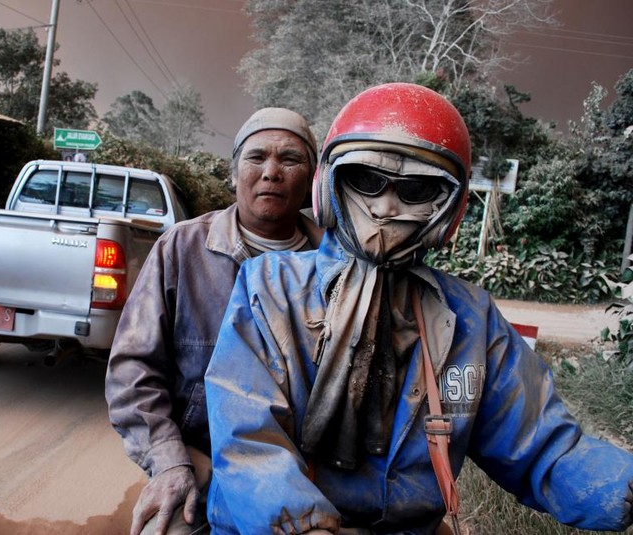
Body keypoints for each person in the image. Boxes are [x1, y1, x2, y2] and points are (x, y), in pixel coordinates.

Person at [204, 83, 633, 534]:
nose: (387, 207)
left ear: (450, 206)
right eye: (367, 180)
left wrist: (620, 486)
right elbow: (248, 437)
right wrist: (302, 525)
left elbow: (544, 447)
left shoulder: (471, 318)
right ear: (330, 183)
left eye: (416, 189)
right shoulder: (270, 287)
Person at [105, 107, 324, 535]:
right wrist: (170, 461)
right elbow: (133, 370)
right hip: (204, 463)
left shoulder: (336, 265)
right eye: (256, 157)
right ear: (233, 172)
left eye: (291, 159)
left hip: (311, 472)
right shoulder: (182, 249)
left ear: (314, 179)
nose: (272, 172)